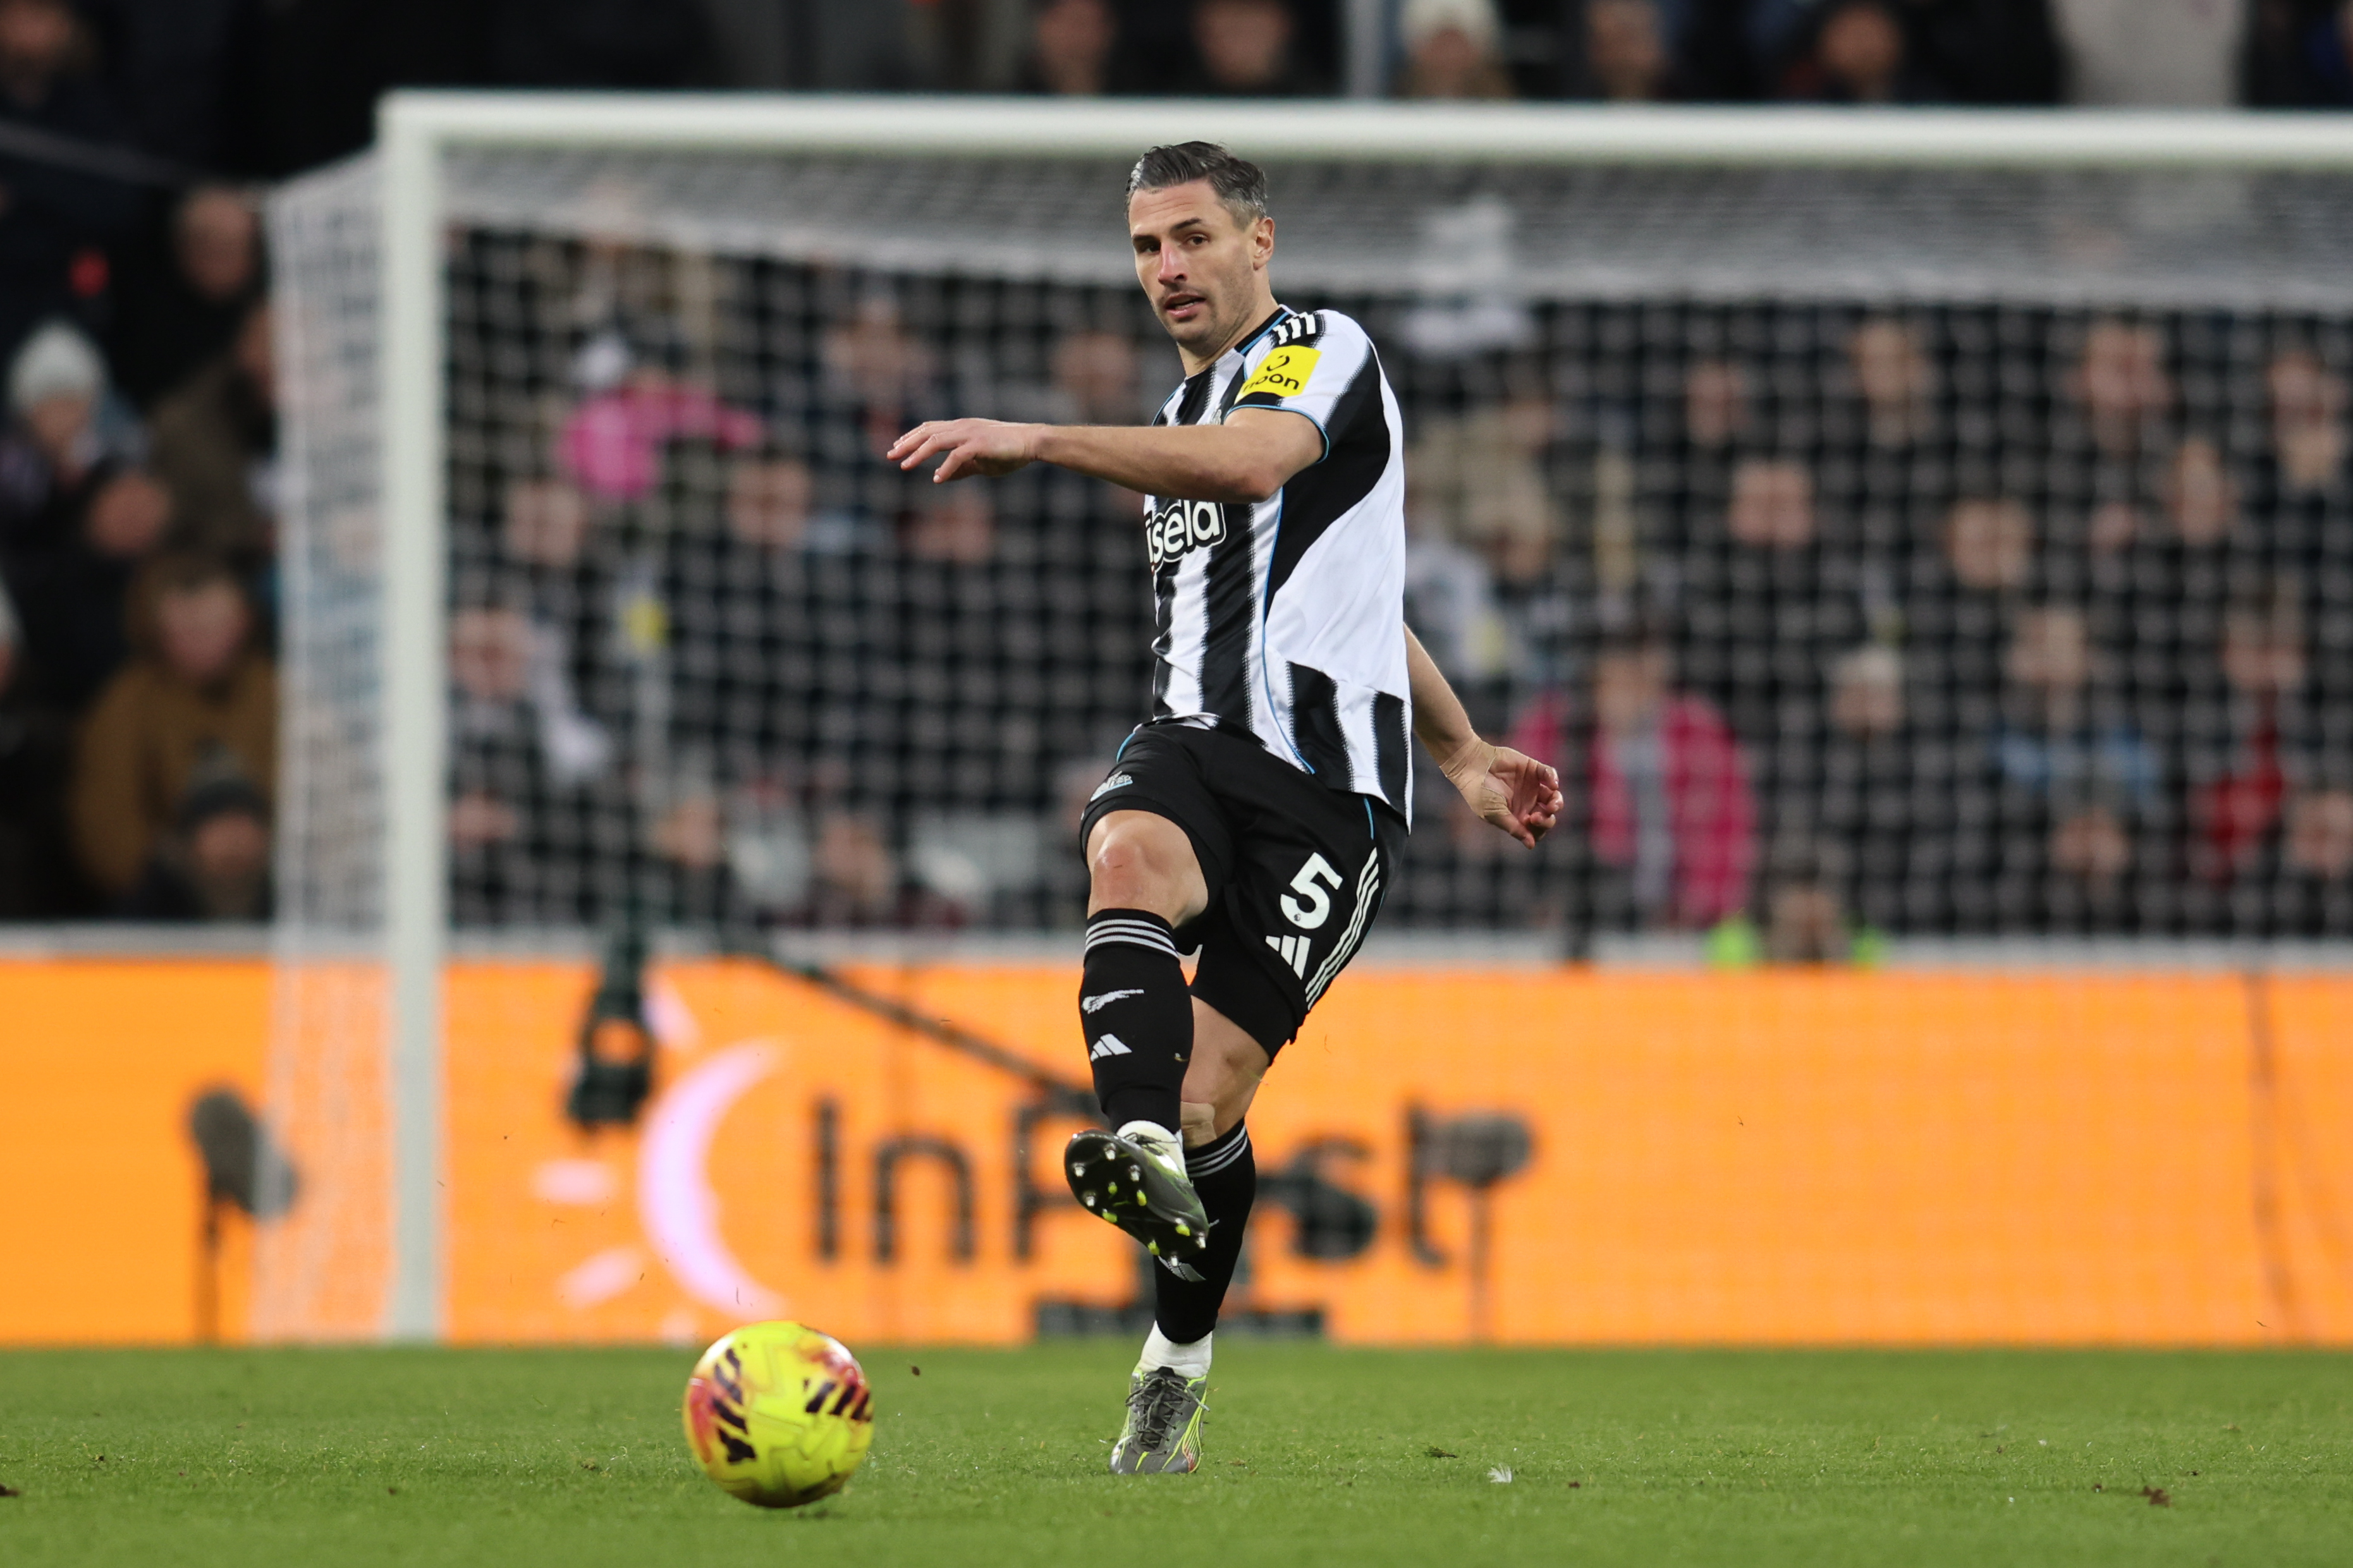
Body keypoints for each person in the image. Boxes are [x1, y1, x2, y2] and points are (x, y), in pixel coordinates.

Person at [888, 142, 1559, 1473]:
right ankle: (1134, 1140)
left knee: (1212, 1098)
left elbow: (1260, 473)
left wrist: (1040, 437)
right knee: (1125, 853)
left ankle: (1175, 1359)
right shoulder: (1175, 413)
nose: (1168, 268)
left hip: (1330, 799)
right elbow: (1347, 598)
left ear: (1261, 239)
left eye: (1192, 236)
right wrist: (1468, 747)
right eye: (1146, 246)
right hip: (1195, 742)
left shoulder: (1323, 351)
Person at [69, 550, 274, 899]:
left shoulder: (280, 695)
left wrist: (261, 852)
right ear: (157, 631)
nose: (202, 642)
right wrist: (173, 868)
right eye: (186, 630)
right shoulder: (126, 704)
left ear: (243, 622)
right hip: (164, 897)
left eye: (214, 626)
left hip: (275, 887)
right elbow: (106, 819)